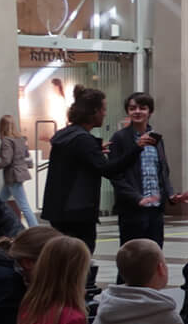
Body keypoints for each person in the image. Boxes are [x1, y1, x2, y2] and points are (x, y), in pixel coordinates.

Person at [41, 87, 134, 253]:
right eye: (103, 109)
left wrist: (95, 148)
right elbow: (108, 169)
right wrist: (136, 150)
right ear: (94, 111)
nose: (105, 114)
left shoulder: (66, 135)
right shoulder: (83, 139)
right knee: (80, 256)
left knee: (63, 256)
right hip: (78, 210)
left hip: (59, 208)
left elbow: (76, 157)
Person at [106, 92, 188, 246]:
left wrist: (171, 195)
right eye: (132, 108)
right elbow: (115, 174)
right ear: (128, 111)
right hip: (132, 209)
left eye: (142, 108)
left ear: (150, 112)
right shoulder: (119, 138)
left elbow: (162, 170)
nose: (137, 112)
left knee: (154, 252)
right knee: (133, 254)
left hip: (155, 209)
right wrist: (137, 198)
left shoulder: (156, 139)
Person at [0, 114, 35, 231]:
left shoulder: (6, 141)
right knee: (0, 201)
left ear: (2, 126)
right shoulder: (21, 139)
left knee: (24, 205)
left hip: (12, 175)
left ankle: (35, 229)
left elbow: (7, 161)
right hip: (19, 174)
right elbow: (22, 156)